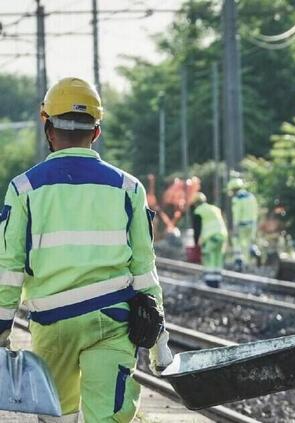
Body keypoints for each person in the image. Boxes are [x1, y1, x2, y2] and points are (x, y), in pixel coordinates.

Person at [0, 77, 173, 423]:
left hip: (52, 325)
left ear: (48, 129)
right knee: (107, 416)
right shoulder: (128, 188)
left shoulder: (24, 189)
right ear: (96, 132)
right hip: (112, 321)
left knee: (58, 416)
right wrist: (160, 343)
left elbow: (9, 268)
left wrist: (3, 330)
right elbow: (144, 269)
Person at [192, 193, 228, 288]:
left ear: (195, 203)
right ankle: (217, 281)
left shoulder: (198, 211)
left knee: (208, 257)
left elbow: (197, 230)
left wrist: (196, 244)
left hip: (211, 237)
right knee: (217, 257)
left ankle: (210, 282)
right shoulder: (214, 208)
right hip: (222, 235)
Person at [227, 178, 258, 271]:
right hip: (252, 224)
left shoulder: (237, 199)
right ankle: (248, 263)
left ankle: (239, 261)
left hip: (241, 225)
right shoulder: (251, 197)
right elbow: (255, 211)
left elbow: (237, 214)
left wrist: (235, 227)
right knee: (248, 244)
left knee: (237, 242)